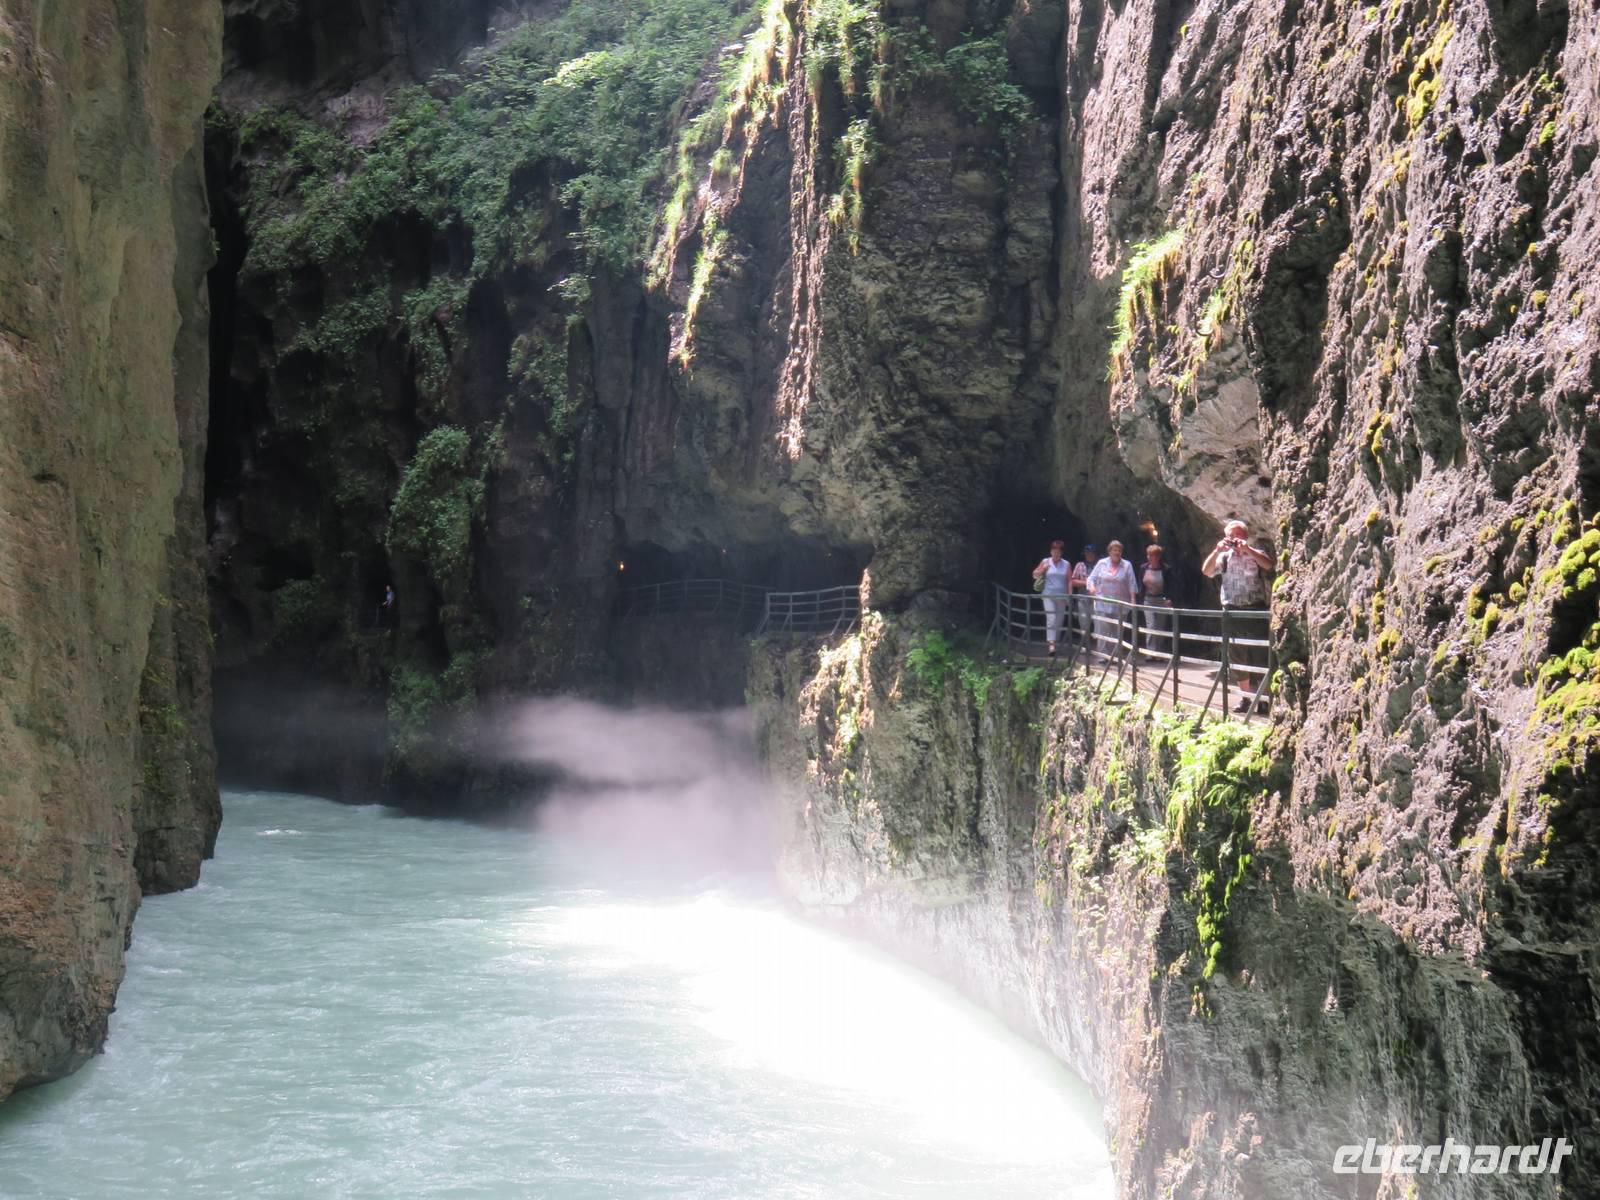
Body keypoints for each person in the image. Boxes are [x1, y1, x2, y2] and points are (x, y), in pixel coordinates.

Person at [1200, 519, 1273, 710]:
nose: (1234, 539)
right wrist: (1217, 550)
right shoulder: (1224, 557)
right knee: (1237, 654)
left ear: (1245, 536)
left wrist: (1248, 550)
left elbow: (1267, 565)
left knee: (1260, 653)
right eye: (1230, 536)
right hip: (1232, 611)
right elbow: (1206, 571)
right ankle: (1245, 697)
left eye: (1237, 535)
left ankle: (1264, 698)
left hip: (1255, 609)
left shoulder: (1256, 553)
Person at [1086, 540, 1137, 657]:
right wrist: (1092, 588)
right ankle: (1103, 655)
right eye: (1114, 550)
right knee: (1103, 628)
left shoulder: (1127, 565)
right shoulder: (1101, 563)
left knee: (1117, 630)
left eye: (1119, 550)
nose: (1117, 552)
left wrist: (1133, 600)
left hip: (1120, 603)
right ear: (1109, 552)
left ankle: (1116, 655)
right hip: (1102, 601)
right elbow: (1091, 578)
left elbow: (1132, 583)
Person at [1031, 540, 1073, 658]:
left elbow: (1069, 580)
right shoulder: (1045, 561)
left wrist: (1070, 595)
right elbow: (1034, 575)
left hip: (1062, 596)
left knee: (1059, 620)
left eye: (1058, 552)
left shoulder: (1066, 564)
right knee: (1051, 618)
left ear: (1061, 553)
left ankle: (1056, 642)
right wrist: (1043, 569)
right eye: (1054, 551)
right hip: (1048, 595)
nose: (1056, 554)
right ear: (1051, 551)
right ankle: (1051, 645)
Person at [1138, 544, 1174, 660]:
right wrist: (1139, 599)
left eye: (1155, 555)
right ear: (1148, 556)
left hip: (1161, 600)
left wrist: (1169, 599)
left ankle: (1159, 653)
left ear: (1159, 556)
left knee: (1160, 626)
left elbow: (1170, 585)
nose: (1152, 557)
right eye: (1150, 555)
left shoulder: (1166, 569)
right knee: (1151, 625)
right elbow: (1141, 585)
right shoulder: (1143, 568)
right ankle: (1150, 652)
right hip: (1148, 599)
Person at [1070, 545, 1098, 643]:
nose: (1089, 556)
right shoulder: (1080, 565)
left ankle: (1100, 647)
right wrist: (1087, 583)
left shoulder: (1100, 565)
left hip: (1096, 598)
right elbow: (1073, 581)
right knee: (1083, 622)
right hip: (1082, 597)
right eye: (1087, 554)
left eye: (1091, 553)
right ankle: (1085, 644)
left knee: (1098, 621)